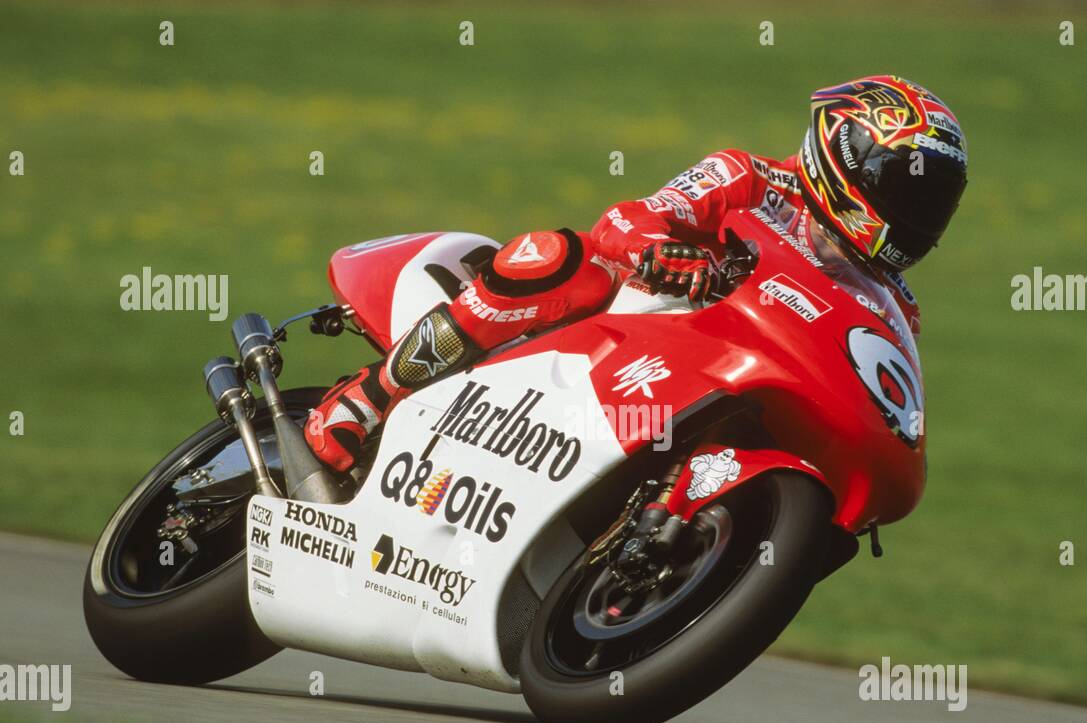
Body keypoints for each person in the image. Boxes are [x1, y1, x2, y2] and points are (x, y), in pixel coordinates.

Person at [305, 74, 967, 472]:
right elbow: (627, 218)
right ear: (846, 151)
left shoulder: (894, 301)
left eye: (933, 199)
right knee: (563, 256)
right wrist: (660, 250)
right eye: (907, 187)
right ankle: (371, 395)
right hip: (628, 332)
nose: (917, 213)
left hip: (718, 386)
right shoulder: (750, 177)